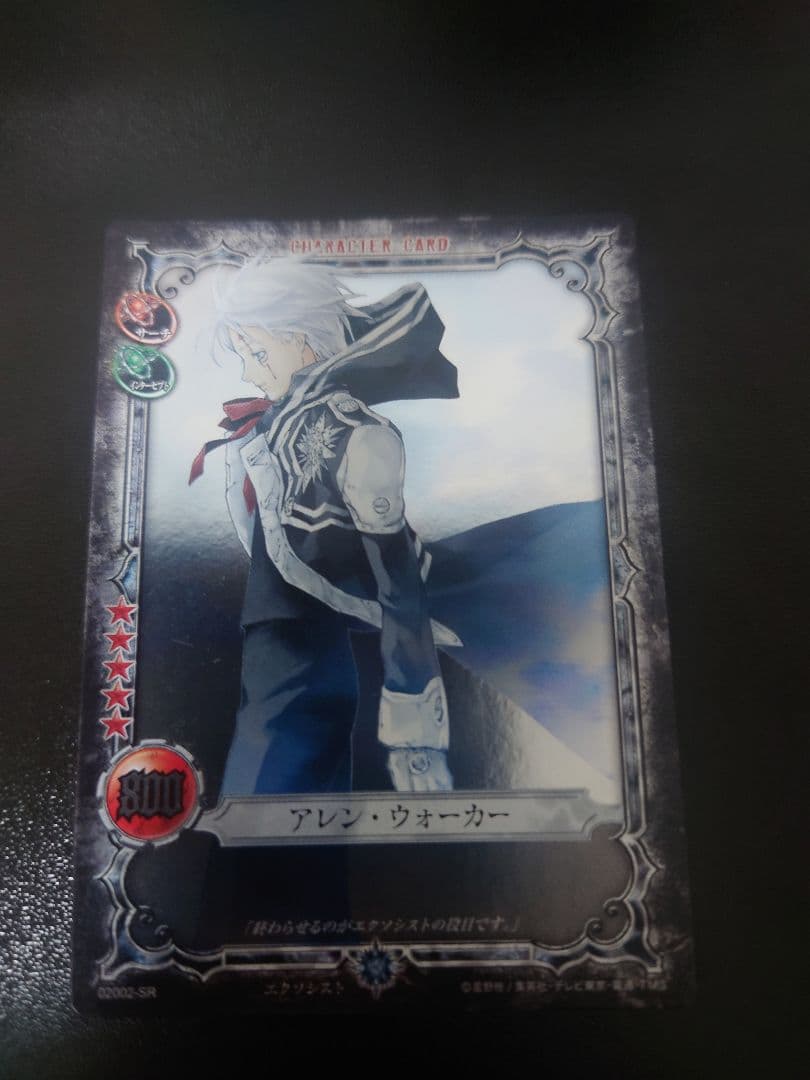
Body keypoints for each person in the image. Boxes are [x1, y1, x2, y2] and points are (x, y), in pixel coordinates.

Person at [190, 258, 460, 796]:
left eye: (258, 353)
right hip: (273, 657)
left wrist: (416, 737)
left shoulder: (361, 435)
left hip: (305, 664)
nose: (250, 374)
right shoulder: (272, 427)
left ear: (301, 339)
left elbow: (399, 584)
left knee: (268, 806)